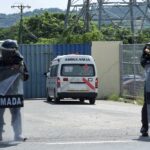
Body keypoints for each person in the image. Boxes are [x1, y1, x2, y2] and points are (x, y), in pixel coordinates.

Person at [0, 39, 29, 141]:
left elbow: (26, 76)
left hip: (15, 93)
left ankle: (18, 134)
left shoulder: (20, 61)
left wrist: (19, 70)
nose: (5, 53)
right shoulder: (0, 61)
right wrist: (8, 70)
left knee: (16, 113)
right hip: (1, 93)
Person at [140, 43, 150, 137]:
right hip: (149, 84)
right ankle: (145, 127)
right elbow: (143, 62)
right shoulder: (148, 49)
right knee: (146, 106)